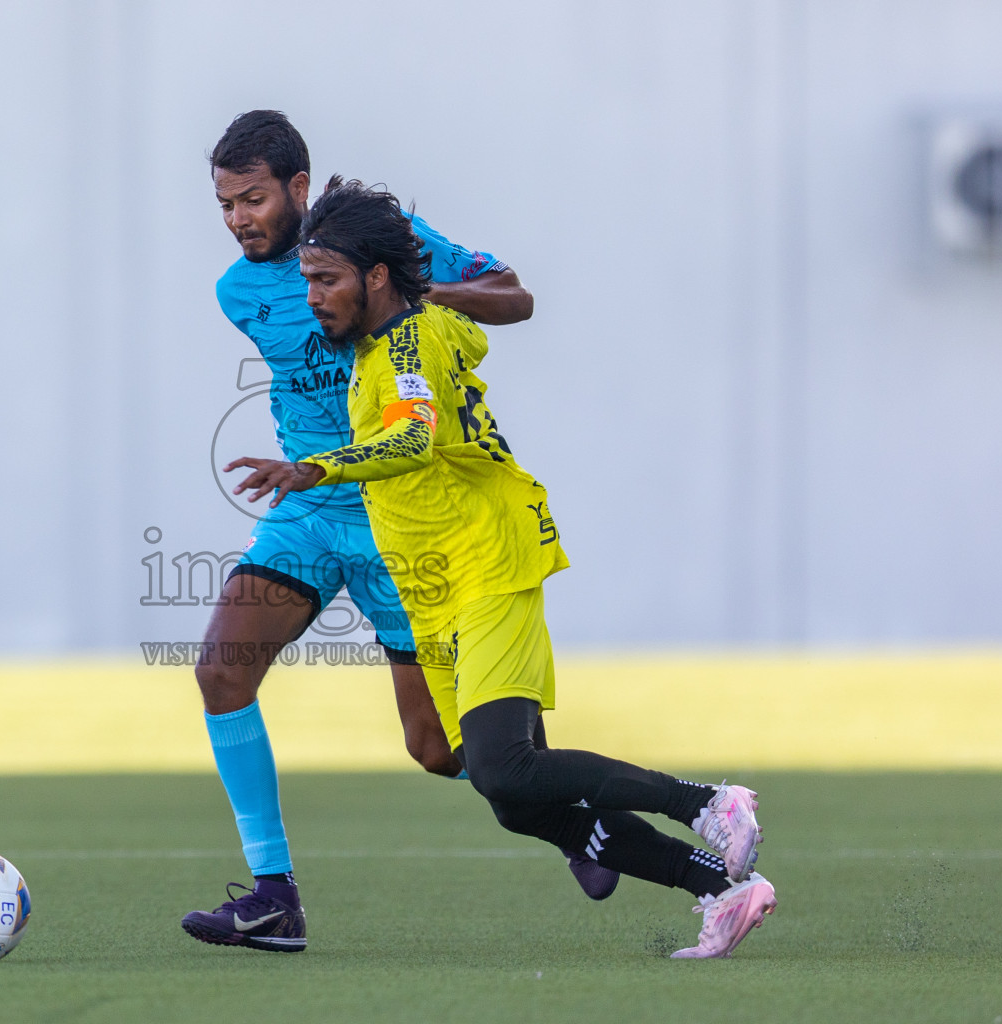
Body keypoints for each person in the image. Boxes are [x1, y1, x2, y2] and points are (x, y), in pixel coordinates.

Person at [226, 177, 777, 959]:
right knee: (509, 795)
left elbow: (413, 436)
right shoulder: (397, 336)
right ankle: (721, 889)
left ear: (376, 277)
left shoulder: (409, 342)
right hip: (434, 583)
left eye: (326, 280)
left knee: (505, 763)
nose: (311, 297)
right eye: (308, 279)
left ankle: (710, 805)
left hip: (487, 561)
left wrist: (315, 469)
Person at [180, 111, 613, 955]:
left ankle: (576, 819)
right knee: (221, 670)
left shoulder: (393, 243)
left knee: (442, 750)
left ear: (298, 189)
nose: (238, 219)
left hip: (403, 515)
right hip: (310, 503)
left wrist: (420, 296)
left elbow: (515, 297)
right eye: (226, 203)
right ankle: (274, 898)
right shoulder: (238, 292)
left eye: (253, 198)